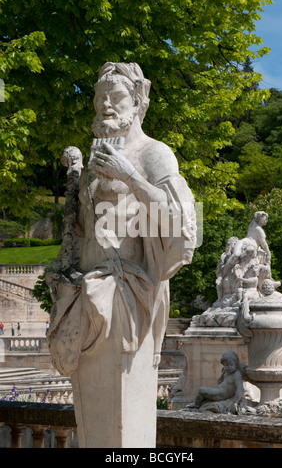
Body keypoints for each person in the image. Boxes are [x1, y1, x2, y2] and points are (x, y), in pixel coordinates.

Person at [45, 62, 196, 447]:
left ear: (138, 103)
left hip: (127, 291)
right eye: (100, 99)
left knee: (123, 413)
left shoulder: (153, 153)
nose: (106, 106)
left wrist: (129, 176)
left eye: (116, 98)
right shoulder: (95, 158)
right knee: (93, 405)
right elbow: (81, 228)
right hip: (85, 290)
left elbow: (177, 218)